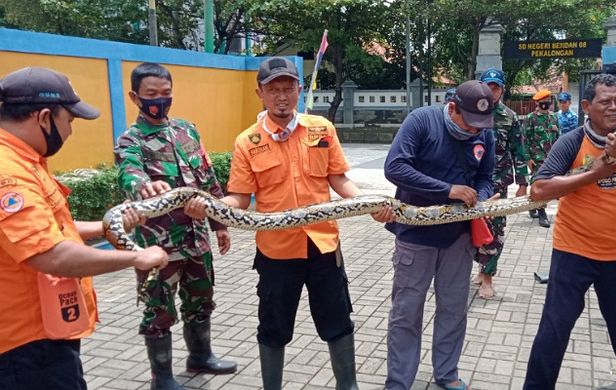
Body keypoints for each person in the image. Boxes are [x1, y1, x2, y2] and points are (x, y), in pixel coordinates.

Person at [184, 57, 393, 390]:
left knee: (337, 321)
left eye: (288, 88)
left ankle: (348, 386)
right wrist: (212, 208)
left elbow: (338, 179)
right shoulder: (247, 142)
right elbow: (239, 197)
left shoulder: (321, 129)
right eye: (273, 90)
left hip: (324, 246)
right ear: (260, 94)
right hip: (276, 252)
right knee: (274, 327)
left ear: (298, 89)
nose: (281, 96)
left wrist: (368, 205)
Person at [0, 67, 169, 389]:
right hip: (23, 346)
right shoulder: (8, 174)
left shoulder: (25, 162)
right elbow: (50, 254)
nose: (70, 131)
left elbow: (49, 228)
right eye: (70, 121)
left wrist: (107, 226)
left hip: (44, 333)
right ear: (45, 117)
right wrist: (137, 257)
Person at [523, 74, 616, 390]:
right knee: (556, 326)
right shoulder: (573, 141)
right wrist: (593, 175)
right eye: (606, 101)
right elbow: (538, 189)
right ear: (588, 106)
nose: (614, 107)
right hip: (572, 251)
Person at [114, 62, 236, 390]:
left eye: (166, 94)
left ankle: (200, 356)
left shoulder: (187, 130)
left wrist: (220, 223)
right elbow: (129, 172)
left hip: (197, 240)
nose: (160, 100)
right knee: (159, 310)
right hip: (159, 247)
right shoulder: (131, 139)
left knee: (201, 300)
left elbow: (207, 179)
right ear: (135, 96)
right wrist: (143, 187)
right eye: (151, 94)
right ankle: (162, 378)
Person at [384, 80, 496, 390]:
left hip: (457, 238)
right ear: (452, 108)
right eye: (470, 123)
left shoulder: (485, 132)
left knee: (453, 308)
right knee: (407, 311)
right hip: (415, 234)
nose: (476, 131)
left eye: (481, 125)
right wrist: (447, 191)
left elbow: (486, 177)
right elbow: (394, 167)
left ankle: (447, 374)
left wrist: (482, 198)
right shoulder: (422, 121)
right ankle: (399, 381)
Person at [472, 68, 527, 299]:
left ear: (502, 89)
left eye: (496, 87)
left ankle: (487, 277)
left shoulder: (509, 117)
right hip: (470, 184)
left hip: (497, 184)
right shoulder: (470, 112)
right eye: (488, 86)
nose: (492, 91)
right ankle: (480, 264)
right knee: (468, 228)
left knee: (493, 229)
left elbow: (519, 151)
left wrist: (523, 183)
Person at [523, 89, 559, 227]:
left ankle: (533, 206)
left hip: (551, 158)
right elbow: (524, 140)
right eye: (543, 100)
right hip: (536, 158)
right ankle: (542, 213)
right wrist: (527, 158)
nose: (546, 102)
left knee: (545, 183)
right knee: (540, 183)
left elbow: (558, 137)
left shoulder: (554, 117)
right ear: (537, 102)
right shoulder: (530, 118)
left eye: (548, 100)